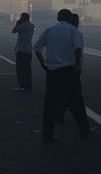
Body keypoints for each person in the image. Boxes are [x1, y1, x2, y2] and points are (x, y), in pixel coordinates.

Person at [33, 9, 90, 142]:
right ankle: (84, 130)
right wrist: (76, 66)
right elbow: (78, 49)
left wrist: (43, 63)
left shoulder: (49, 30)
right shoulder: (74, 31)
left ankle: (48, 134)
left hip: (52, 72)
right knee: (76, 102)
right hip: (69, 72)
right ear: (70, 18)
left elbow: (37, 48)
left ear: (58, 18)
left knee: (50, 105)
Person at [11, 12, 35, 91]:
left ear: (23, 18)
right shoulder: (32, 26)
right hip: (28, 51)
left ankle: (22, 85)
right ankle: (28, 86)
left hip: (21, 51)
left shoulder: (22, 26)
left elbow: (13, 31)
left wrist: (17, 24)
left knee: (20, 69)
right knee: (28, 69)